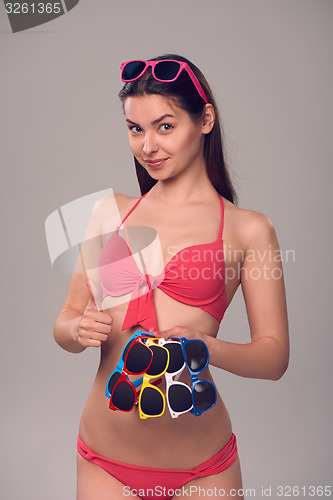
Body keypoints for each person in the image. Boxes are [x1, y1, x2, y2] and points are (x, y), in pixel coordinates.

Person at [54, 54, 289, 500]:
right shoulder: (108, 212)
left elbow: (274, 358)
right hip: (103, 460)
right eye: (134, 129)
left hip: (203, 470)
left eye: (165, 126)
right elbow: (64, 321)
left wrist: (207, 348)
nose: (148, 147)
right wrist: (75, 328)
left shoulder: (249, 229)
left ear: (205, 119)